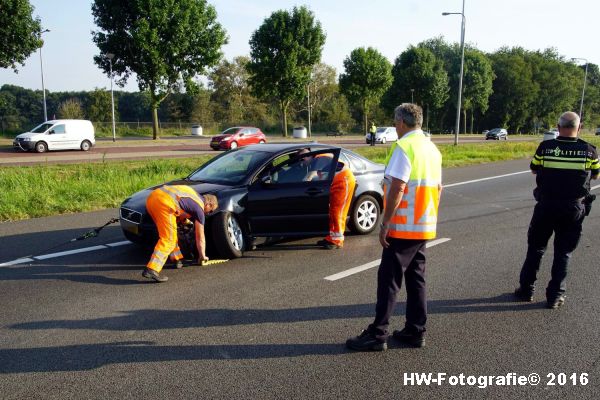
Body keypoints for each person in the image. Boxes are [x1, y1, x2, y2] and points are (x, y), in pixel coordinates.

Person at [346, 103, 442, 351]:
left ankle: (378, 334)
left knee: (389, 280)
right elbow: (438, 188)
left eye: (395, 121)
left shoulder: (404, 147)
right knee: (416, 278)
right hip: (423, 224)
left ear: (401, 122)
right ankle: (415, 330)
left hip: (402, 226)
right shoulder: (431, 149)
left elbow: (397, 187)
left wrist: (385, 222)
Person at [514, 111, 598, 308]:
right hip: (573, 208)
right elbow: (595, 176)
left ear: (558, 127)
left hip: (546, 205)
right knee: (563, 252)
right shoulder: (589, 150)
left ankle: (526, 290)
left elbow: (534, 168)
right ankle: (555, 296)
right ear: (579, 127)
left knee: (535, 248)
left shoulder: (546, 147)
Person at [142, 185, 218, 282]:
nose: (208, 213)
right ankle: (152, 268)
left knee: (170, 232)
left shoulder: (193, 194)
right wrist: (202, 256)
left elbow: (180, 207)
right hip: (165, 204)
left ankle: (177, 258)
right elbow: (200, 236)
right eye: (210, 211)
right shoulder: (199, 209)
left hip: (152, 199)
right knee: (169, 239)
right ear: (209, 204)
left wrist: (184, 221)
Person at [316, 159, 356, 250]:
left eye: (303, 160)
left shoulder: (319, 158)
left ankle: (338, 240)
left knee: (339, 211)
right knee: (333, 211)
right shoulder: (318, 158)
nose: (303, 163)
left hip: (343, 180)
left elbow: (314, 174)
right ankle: (332, 237)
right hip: (337, 181)